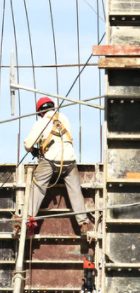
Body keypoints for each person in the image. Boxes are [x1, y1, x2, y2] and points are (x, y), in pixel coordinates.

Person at [20, 96, 92, 235]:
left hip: (51, 161)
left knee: (38, 186)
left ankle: (29, 218)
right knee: (76, 191)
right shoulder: (64, 118)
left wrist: (34, 151)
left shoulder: (42, 122)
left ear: (40, 112)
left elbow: (28, 143)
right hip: (70, 160)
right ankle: (83, 222)